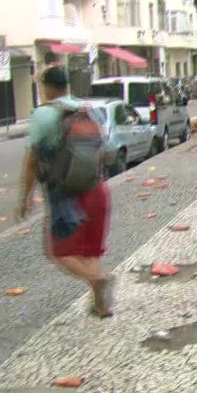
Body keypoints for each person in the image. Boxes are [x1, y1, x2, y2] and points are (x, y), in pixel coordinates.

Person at [16, 63, 114, 318]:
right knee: (90, 250)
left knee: (60, 252)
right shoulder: (88, 109)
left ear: (47, 87)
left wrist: (25, 197)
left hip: (67, 197)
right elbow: (105, 150)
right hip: (97, 189)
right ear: (66, 85)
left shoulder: (43, 114)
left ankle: (99, 280)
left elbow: (31, 160)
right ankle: (101, 305)